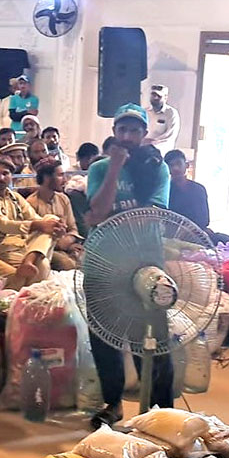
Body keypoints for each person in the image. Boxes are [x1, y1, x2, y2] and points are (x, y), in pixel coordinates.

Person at [85, 103, 173, 428]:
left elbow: (154, 213)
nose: (127, 136)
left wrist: (109, 218)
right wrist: (113, 168)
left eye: (134, 130)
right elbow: (97, 210)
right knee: (104, 336)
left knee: (152, 337)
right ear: (113, 134)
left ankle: (162, 410)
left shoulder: (156, 169)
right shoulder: (99, 169)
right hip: (102, 264)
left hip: (144, 266)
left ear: (143, 134)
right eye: (122, 130)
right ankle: (113, 402)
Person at [0, 157, 63, 289]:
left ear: (11, 176)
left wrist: (56, 226)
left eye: (5, 173)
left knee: (51, 219)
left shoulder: (14, 196)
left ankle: (30, 260)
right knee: (42, 264)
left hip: (23, 243)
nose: (1, 178)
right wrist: (38, 225)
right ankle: (29, 288)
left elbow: (35, 217)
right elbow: (3, 224)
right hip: (0, 247)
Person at [165, 150, 229, 248]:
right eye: (171, 165)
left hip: (199, 232)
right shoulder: (166, 191)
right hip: (176, 236)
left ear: (186, 165)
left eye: (178, 163)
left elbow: (204, 219)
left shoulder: (199, 189)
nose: (175, 168)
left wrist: (200, 231)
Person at [27, 160, 83, 270]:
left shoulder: (63, 199)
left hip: (67, 245)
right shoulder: (31, 203)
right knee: (67, 264)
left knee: (91, 261)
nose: (65, 180)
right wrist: (58, 244)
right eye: (60, 175)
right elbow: (33, 238)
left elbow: (73, 229)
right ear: (47, 178)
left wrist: (67, 242)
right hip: (47, 250)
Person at [145, 84, 180, 155]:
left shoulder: (171, 113)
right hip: (144, 151)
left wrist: (150, 143)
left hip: (162, 154)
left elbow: (169, 136)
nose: (155, 98)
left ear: (165, 98)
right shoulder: (145, 112)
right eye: (153, 95)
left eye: (159, 96)